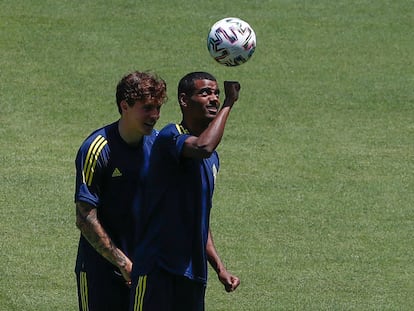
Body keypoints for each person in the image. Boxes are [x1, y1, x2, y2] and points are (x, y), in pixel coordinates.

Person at [130, 71, 241, 311]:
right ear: (183, 100)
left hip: (193, 274)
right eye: (205, 93)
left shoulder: (213, 160)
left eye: (216, 94)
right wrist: (229, 103)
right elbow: (204, 146)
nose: (213, 99)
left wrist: (220, 268)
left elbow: (200, 219)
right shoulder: (171, 137)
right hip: (157, 269)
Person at [74, 71, 167, 311]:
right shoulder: (97, 148)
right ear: (124, 106)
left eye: (158, 108)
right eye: (147, 108)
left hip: (145, 270)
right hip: (100, 271)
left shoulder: (158, 146)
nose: (155, 116)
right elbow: (85, 217)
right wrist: (123, 263)